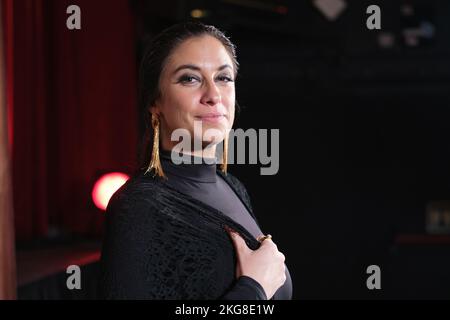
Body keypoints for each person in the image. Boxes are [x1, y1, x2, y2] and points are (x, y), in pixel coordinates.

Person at [99, 21, 292, 300]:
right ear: (156, 103)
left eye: (223, 78)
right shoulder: (139, 205)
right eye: (190, 78)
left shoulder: (233, 187)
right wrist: (254, 287)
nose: (213, 95)